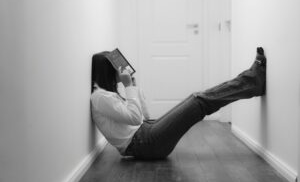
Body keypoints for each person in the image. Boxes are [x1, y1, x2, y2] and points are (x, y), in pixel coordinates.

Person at [90, 48, 266, 160]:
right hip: (144, 144)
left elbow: (144, 117)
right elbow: (136, 119)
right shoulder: (99, 97)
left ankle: (251, 81)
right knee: (199, 101)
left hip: (145, 133)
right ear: (107, 72)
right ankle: (252, 81)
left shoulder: (108, 95)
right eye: (115, 68)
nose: (119, 72)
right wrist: (128, 87)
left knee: (197, 99)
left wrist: (133, 87)